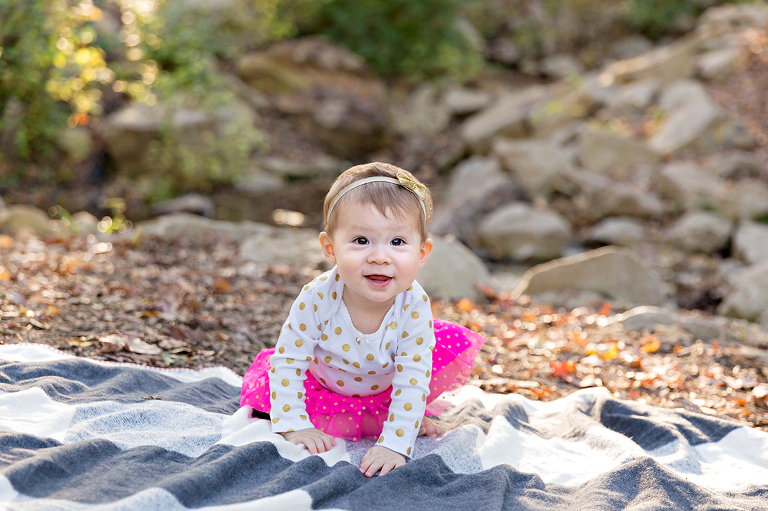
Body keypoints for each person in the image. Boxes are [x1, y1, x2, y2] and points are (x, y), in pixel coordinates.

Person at [240, 162, 485, 477]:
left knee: (410, 395)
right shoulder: (318, 297)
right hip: (323, 385)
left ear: (422, 254)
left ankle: (395, 420)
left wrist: (395, 443)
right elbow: (289, 360)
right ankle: (351, 419)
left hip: (383, 386)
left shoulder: (414, 305)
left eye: (397, 242)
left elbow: (412, 377)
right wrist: (294, 426)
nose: (379, 256)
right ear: (330, 248)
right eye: (361, 240)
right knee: (274, 404)